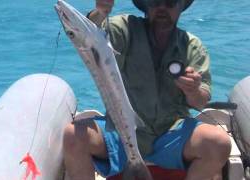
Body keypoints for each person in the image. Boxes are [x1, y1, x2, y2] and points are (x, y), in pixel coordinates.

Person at [63, 0, 231, 179]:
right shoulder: (125, 29)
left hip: (171, 134)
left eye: (170, 3)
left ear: (181, 6)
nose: (162, 8)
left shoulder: (192, 46)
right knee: (73, 135)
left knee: (218, 143)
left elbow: (200, 102)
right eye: (155, 2)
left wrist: (193, 90)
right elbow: (89, 36)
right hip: (121, 132)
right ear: (146, 6)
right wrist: (100, 12)